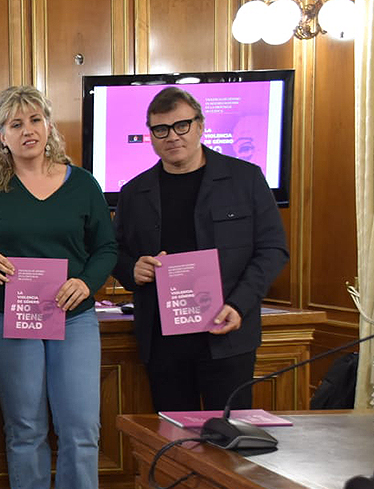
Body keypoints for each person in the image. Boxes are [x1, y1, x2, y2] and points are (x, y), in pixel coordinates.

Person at [0, 86, 117, 489]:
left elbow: (106, 249)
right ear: (1, 136)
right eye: (15, 124)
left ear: (49, 125)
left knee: (80, 431)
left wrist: (86, 282)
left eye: (34, 119)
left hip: (73, 317)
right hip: (9, 321)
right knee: (26, 430)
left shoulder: (84, 184)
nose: (27, 130)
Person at [113, 87, 288, 412]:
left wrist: (239, 305)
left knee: (232, 441)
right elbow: (115, 250)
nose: (172, 136)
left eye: (182, 125)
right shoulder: (134, 192)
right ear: (150, 135)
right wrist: (131, 269)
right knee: (173, 442)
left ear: (200, 125)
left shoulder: (245, 179)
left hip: (227, 332)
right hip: (162, 340)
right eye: (160, 129)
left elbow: (273, 249)